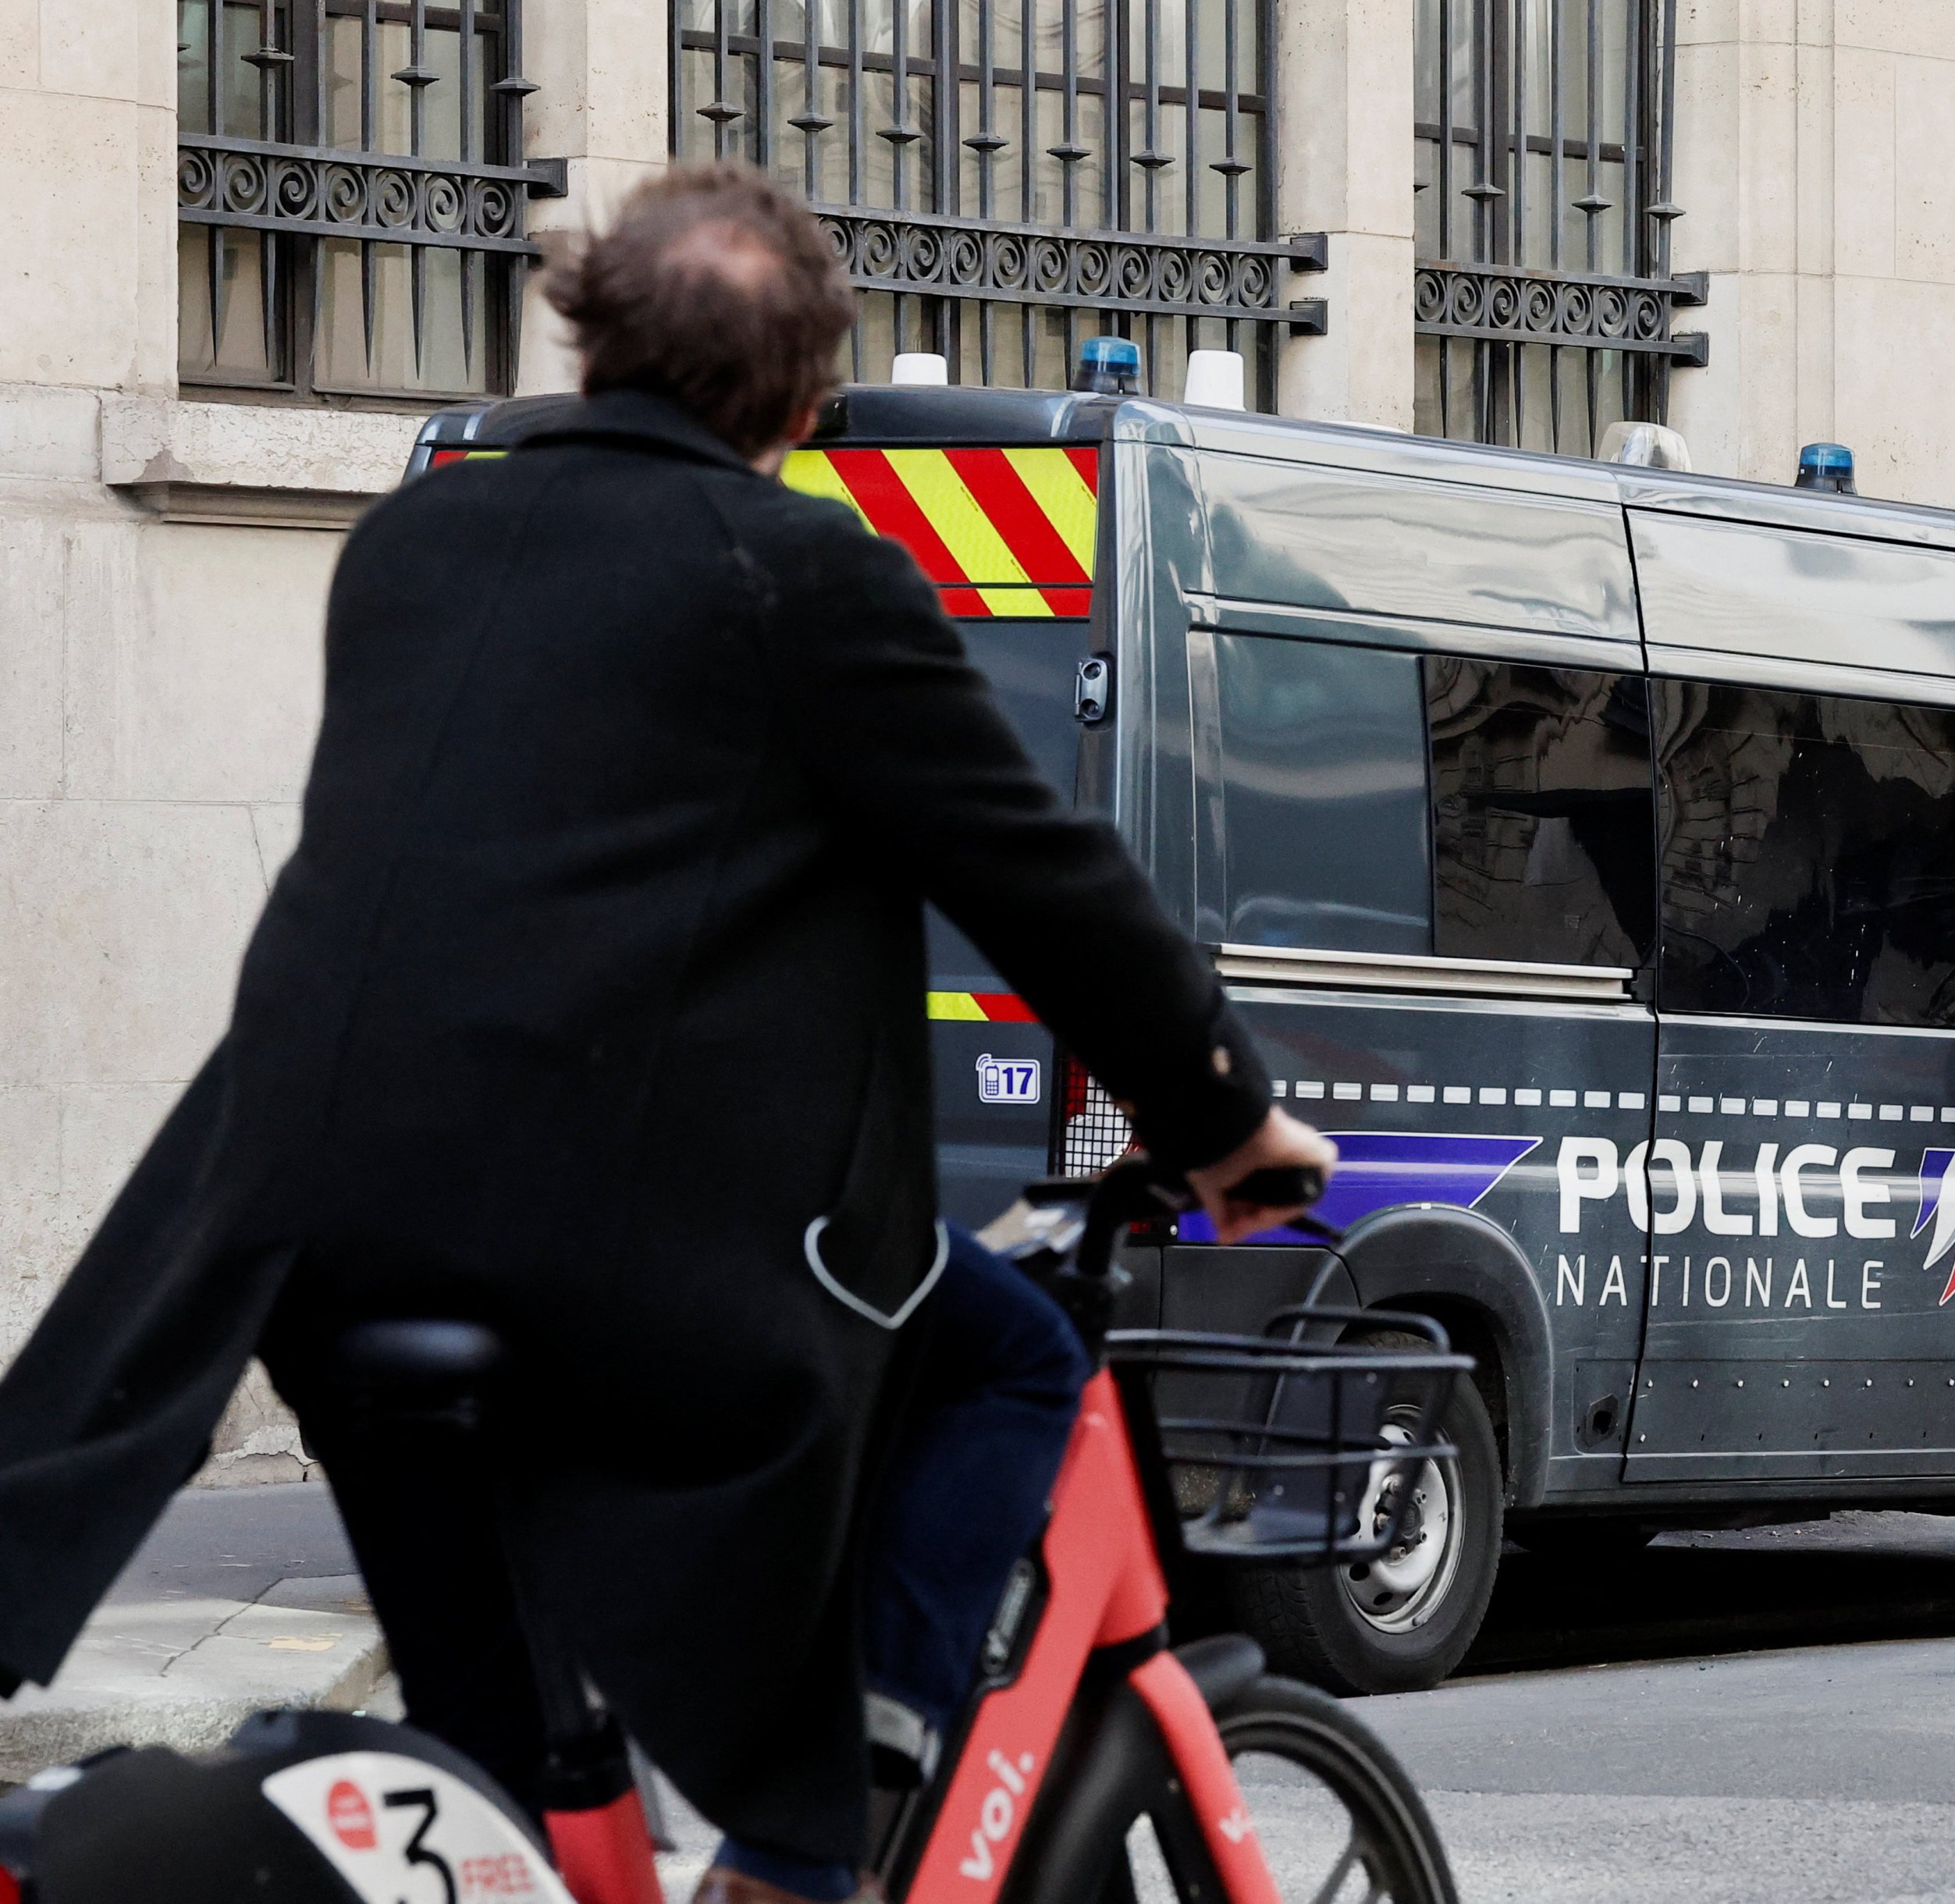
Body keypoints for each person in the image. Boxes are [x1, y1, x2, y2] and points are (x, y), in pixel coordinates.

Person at [0, 164, 1334, 1904]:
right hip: (622, 1259)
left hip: (319, 1242)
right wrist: (1225, 1119)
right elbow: (1043, 878)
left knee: (497, 1782)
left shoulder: (413, 546)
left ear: (589, 336)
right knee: (1011, 1357)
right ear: (800, 395)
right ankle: (818, 1822)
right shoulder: (802, 571)